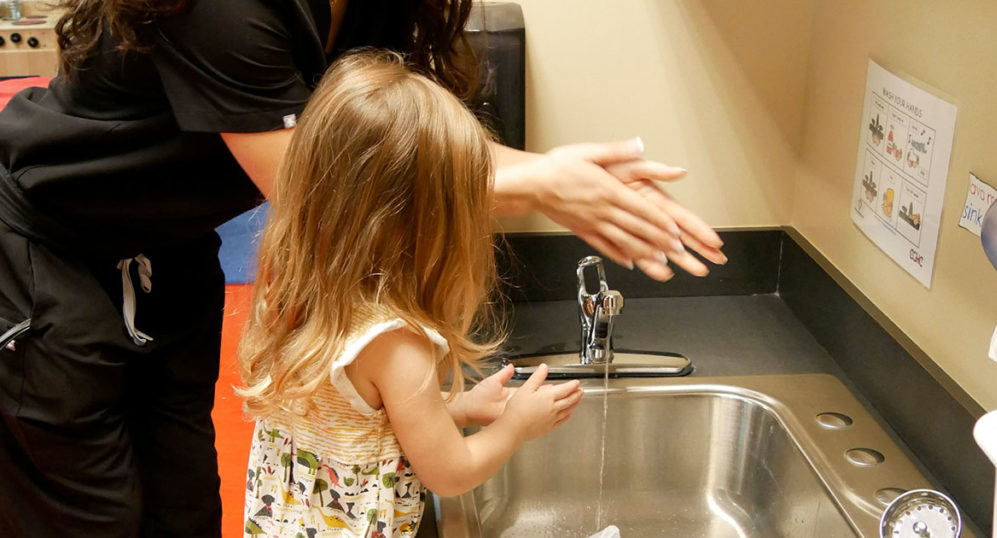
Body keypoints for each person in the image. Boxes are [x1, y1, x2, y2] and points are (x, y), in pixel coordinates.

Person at [0, 1, 724, 536]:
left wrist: (549, 176)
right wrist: (541, 182)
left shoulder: (309, 309)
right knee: (87, 517)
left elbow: (371, 157)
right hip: (54, 247)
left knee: (181, 503)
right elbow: (322, 181)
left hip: (171, 248)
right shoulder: (395, 342)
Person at [237, 50, 584, 537]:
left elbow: (362, 421)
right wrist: (516, 427)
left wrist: (457, 410)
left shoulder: (298, 288)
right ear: (417, 229)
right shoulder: (395, 342)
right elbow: (449, 472)